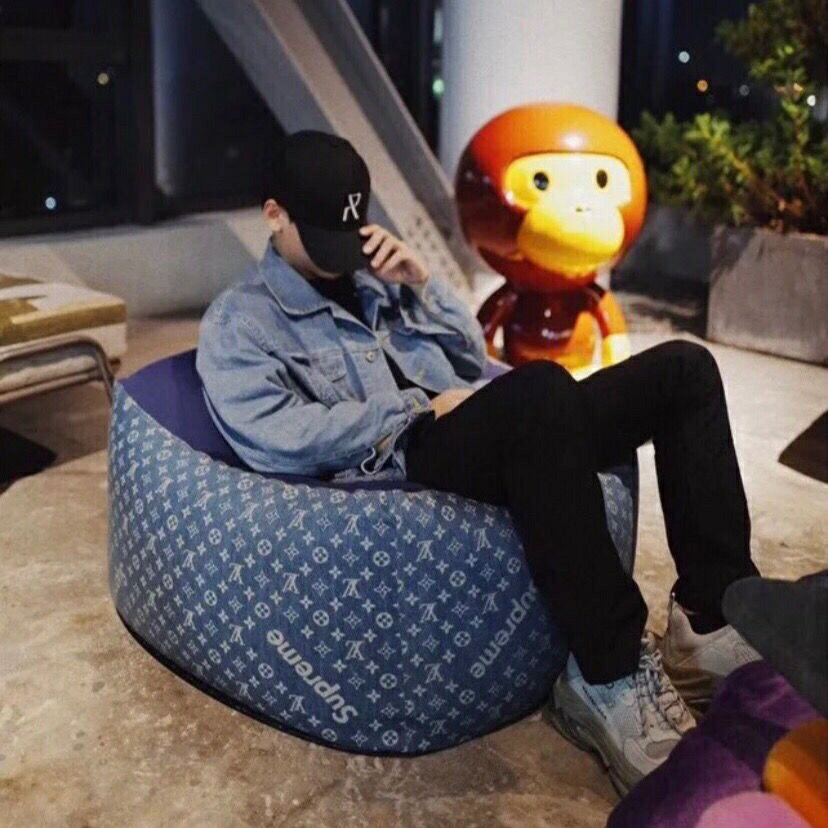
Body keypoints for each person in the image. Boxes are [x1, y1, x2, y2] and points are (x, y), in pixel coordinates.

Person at [197, 130, 761, 795]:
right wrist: (416, 407)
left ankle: (708, 617)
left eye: (349, 233)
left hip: (501, 421)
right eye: (324, 237)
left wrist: (422, 286)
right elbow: (272, 434)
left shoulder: (375, 276)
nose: (342, 255)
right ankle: (606, 672)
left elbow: (472, 357)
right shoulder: (242, 321)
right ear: (274, 215)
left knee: (683, 370)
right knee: (540, 390)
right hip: (407, 451)